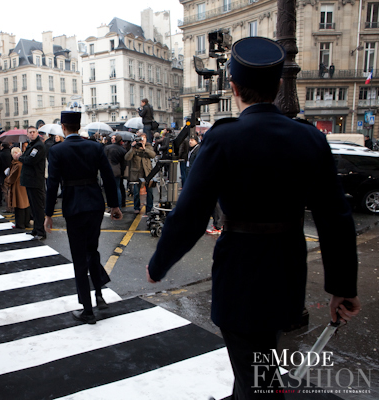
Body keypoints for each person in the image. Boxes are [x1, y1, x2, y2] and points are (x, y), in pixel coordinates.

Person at [146, 37, 361, 399]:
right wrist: (343, 287)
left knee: (256, 376)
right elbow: (335, 218)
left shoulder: (223, 138)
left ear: (232, 87)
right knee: (256, 360)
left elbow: (191, 214)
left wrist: (159, 263)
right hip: (287, 270)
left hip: (240, 272)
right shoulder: (309, 139)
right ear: (279, 85)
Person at [44, 111, 122, 324]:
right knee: (92, 250)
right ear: (78, 126)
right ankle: (98, 294)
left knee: (80, 257)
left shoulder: (57, 150)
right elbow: (107, 177)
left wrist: (48, 213)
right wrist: (114, 205)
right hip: (95, 204)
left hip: (73, 206)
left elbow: (52, 184)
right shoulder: (95, 146)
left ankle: (88, 310)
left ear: (63, 127)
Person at [20, 126, 47, 240]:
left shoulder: (38, 146)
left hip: (35, 180)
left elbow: (30, 160)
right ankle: (36, 229)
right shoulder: (31, 145)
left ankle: (41, 232)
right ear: (27, 134)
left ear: (37, 133)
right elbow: (26, 157)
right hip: (30, 180)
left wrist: (20, 158)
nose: (32, 134)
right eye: (30, 132)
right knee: (33, 207)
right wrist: (22, 157)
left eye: (33, 132)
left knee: (38, 207)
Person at [124, 131, 156, 214]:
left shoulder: (148, 146)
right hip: (137, 173)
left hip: (148, 172)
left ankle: (149, 208)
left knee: (149, 192)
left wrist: (144, 148)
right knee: (136, 192)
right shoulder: (135, 148)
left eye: (143, 138)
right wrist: (132, 148)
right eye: (140, 139)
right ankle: (136, 207)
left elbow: (153, 155)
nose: (142, 140)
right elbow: (127, 158)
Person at [4, 147, 31, 229]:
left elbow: (12, 178)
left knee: (19, 205)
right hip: (23, 186)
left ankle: (20, 224)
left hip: (17, 187)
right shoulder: (21, 163)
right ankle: (26, 222)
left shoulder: (17, 165)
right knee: (25, 205)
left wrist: (6, 179)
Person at [104, 134, 127, 208]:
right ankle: (119, 205)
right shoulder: (122, 150)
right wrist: (122, 172)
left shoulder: (107, 147)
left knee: (109, 189)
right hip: (117, 170)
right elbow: (124, 163)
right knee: (117, 188)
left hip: (108, 170)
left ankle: (111, 205)